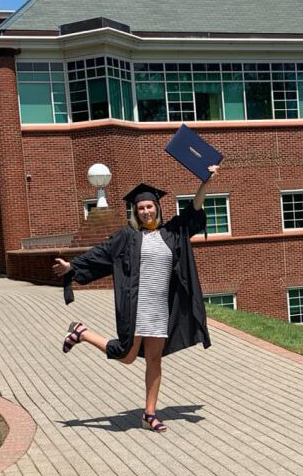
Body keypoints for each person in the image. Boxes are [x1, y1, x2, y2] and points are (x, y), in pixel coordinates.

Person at [52, 165, 219, 433]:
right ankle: (82, 333)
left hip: (160, 310)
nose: (146, 211)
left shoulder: (173, 232)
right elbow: (101, 254)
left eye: (150, 207)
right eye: (141, 209)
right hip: (138, 308)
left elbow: (194, 209)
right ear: (135, 212)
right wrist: (72, 267)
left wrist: (205, 181)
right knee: (127, 356)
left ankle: (149, 414)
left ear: (157, 208)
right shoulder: (127, 238)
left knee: (155, 361)